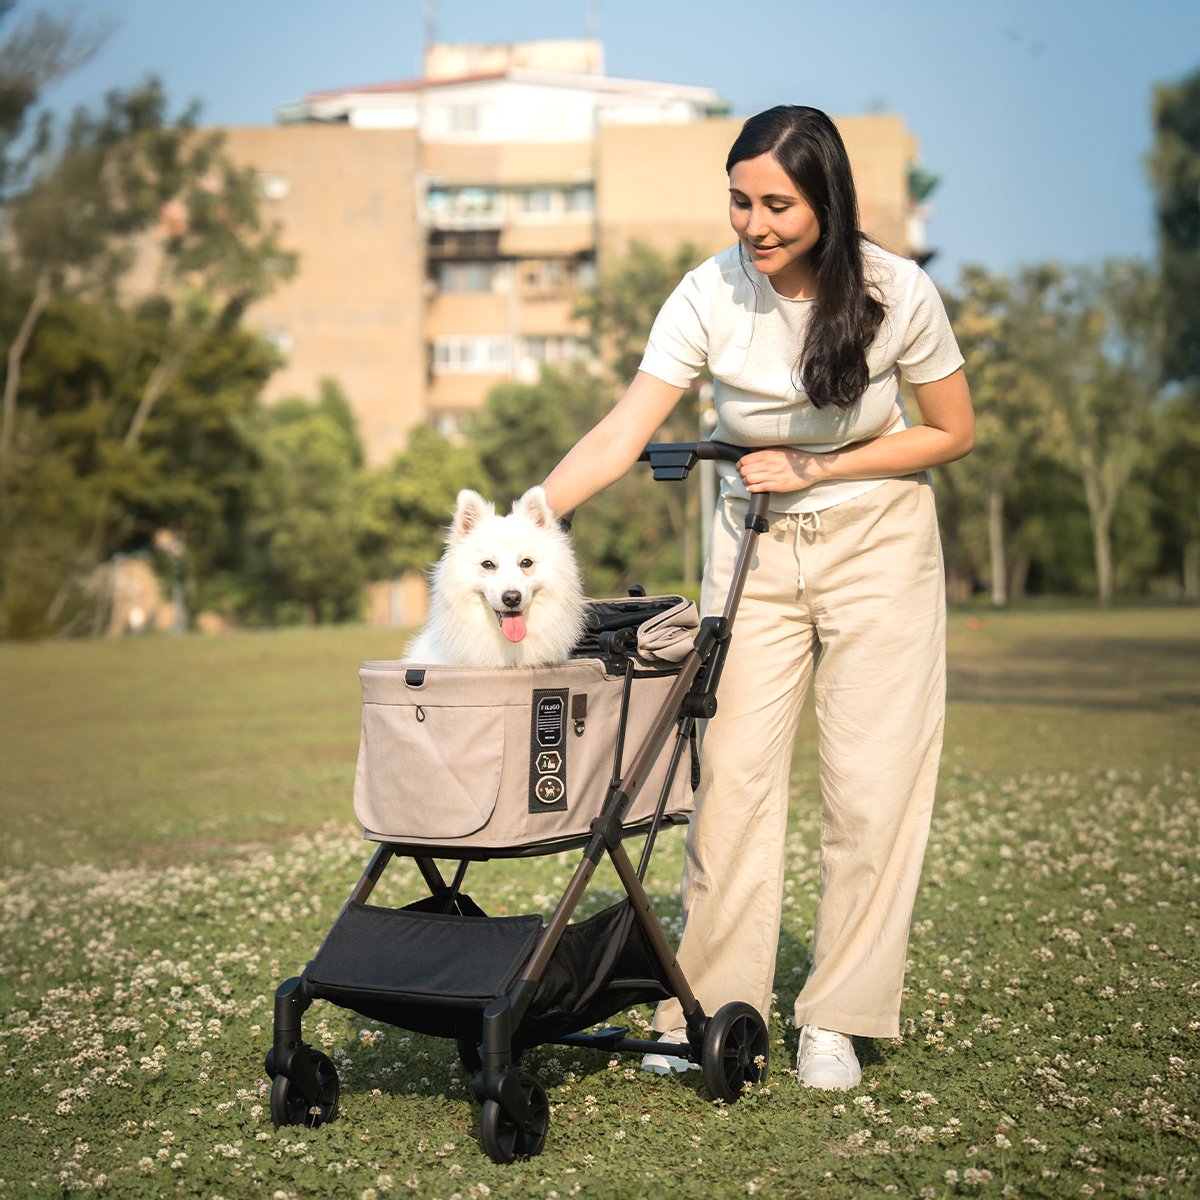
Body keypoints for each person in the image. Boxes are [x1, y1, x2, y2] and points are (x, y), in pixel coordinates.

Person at [541, 105, 973, 1090]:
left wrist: (817, 468)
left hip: (880, 543)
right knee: (727, 783)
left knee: (872, 790)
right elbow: (622, 430)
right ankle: (708, 1005)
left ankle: (836, 1016)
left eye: (777, 202)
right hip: (754, 554)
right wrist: (534, 515)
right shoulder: (707, 294)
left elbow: (950, 430)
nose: (754, 222)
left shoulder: (896, 289)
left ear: (826, 200)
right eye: (739, 200)